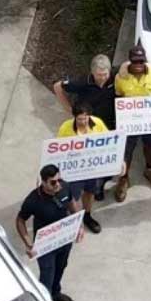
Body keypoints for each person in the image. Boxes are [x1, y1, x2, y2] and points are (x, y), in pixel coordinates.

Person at [52, 55, 117, 201]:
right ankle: (86, 188)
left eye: (105, 74)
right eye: (99, 75)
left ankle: (99, 186)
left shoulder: (115, 76)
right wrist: (70, 110)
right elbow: (58, 86)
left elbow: (127, 65)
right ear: (92, 72)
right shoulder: (81, 82)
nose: (103, 78)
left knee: (106, 160)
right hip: (87, 127)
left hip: (108, 126)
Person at [15, 165, 77, 301]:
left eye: (59, 179)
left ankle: (56, 293)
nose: (58, 184)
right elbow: (20, 220)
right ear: (43, 182)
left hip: (64, 239)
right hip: (45, 246)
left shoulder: (65, 187)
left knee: (61, 267)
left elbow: (71, 202)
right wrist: (29, 244)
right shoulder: (33, 200)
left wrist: (78, 223)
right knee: (47, 276)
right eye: (53, 182)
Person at [112, 46, 151, 201]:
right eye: (135, 61)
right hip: (130, 123)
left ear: (145, 60)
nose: (138, 64)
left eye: (141, 61)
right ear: (130, 61)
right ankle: (124, 179)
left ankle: (149, 170)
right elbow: (118, 97)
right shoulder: (120, 77)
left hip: (150, 121)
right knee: (127, 150)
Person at [54, 104, 111, 233]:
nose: (83, 122)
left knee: (90, 192)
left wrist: (120, 161)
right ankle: (73, 219)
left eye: (85, 118)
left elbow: (110, 142)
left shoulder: (98, 123)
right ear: (74, 117)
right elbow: (57, 151)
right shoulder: (66, 128)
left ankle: (87, 216)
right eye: (79, 119)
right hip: (74, 169)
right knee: (73, 196)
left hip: (92, 167)